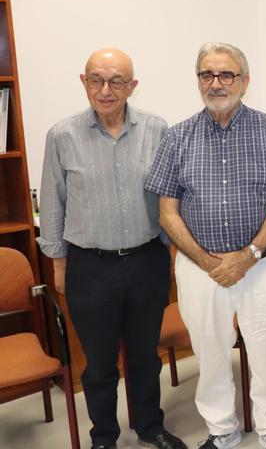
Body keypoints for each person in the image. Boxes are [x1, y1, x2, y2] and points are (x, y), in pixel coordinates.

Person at [145, 42, 266, 449]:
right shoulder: (177, 137)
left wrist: (248, 256)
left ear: (244, 81)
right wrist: (205, 260)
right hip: (201, 269)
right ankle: (222, 432)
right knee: (210, 351)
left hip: (263, 263)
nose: (216, 83)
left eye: (226, 74)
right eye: (206, 75)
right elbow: (167, 210)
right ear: (198, 80)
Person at [37, 48, 186, 449]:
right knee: (99, 363)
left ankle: (150, 426)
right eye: (96, 80)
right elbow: (52, 202)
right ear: (83, 82)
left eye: (116, 81)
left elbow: (170, 195)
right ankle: (103, 436)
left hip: (146, 261)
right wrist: (58, 265)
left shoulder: (157, 129)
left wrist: (171, 253)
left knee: (144, 356)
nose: (106, 90)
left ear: (131, 86)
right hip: (89, 266)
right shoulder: (62, 136)